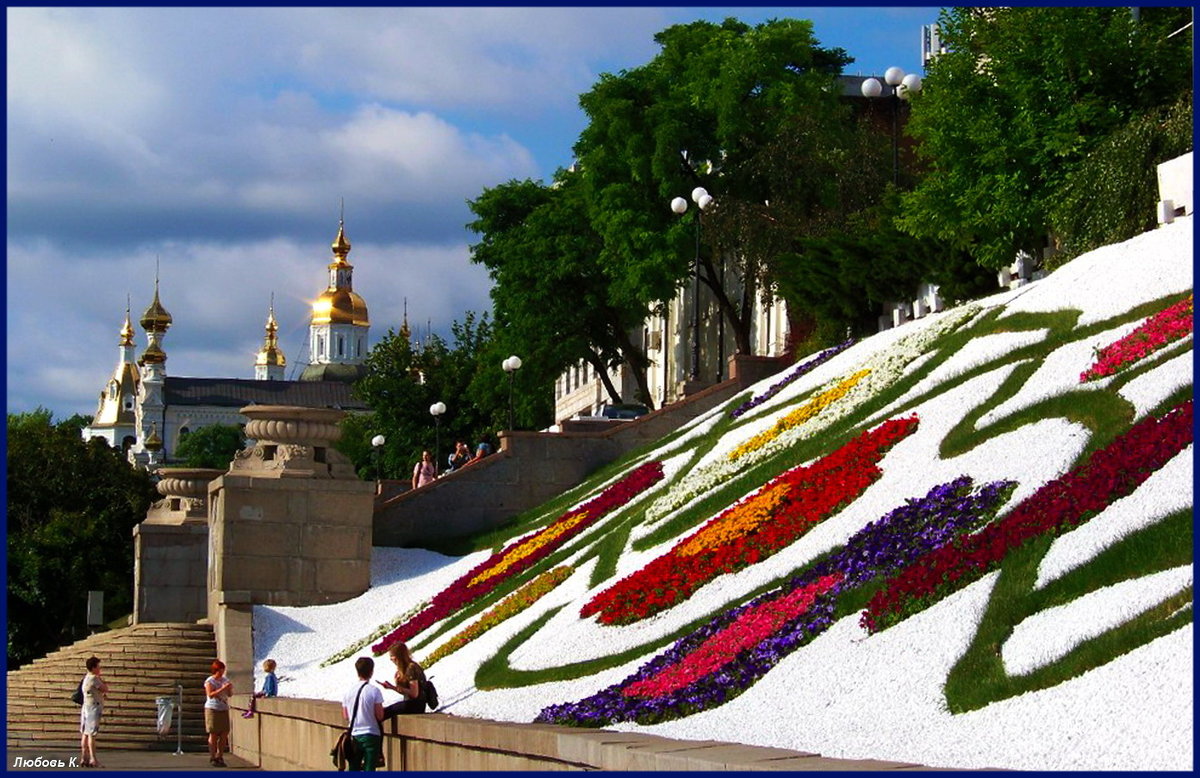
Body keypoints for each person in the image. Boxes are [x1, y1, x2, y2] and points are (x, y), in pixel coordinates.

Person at [342, 656, 385, 772]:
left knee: (353, 767)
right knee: (369, 768)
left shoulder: (348, 692)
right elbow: (380, 715)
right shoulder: (374, 691)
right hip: (371, 735)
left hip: (354, 736)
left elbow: (346, 716)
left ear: (357, 671)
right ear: (371, 672)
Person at [379, 641, 427, 717]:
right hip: (410, 703)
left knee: (385, 712)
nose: (391, 659)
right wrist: (393, 687)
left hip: (417, 705)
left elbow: (414, 694)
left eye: (392, 656)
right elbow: (406, 692)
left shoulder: (411, 668)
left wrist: (394, 687)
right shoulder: (403, 669)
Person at [79, 656, 108, 768]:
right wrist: (101, 679)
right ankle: (93, 759)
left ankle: (84, 757)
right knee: (92, 734)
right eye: (98, 666)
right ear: (94, 667)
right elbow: (105, 688)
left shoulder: (86, 678)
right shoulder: (94, 679)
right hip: (93, 709)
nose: (100, 668)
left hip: (86, 707)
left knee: (85, 733)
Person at [204, 660, 234, 767]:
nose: (222, 674)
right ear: (216, 671)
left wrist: (229, 689)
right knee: (213, 733)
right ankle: (213, 757)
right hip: (212, 708)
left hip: (223, 708)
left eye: (223, 671)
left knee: (224, 733)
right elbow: (210, 694)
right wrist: (222, 688)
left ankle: (220, 755)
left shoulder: (225, 680)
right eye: (220, 671)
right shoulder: (210, 681)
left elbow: (229, 694)